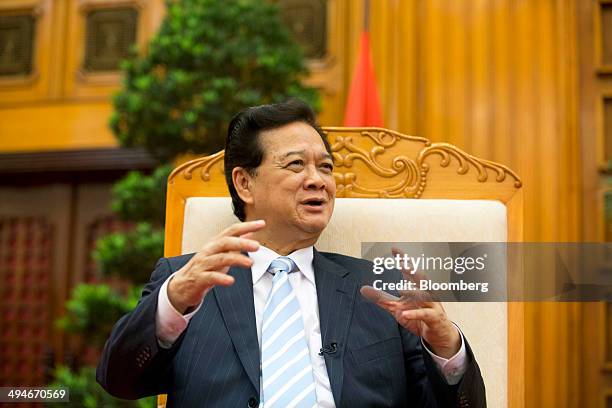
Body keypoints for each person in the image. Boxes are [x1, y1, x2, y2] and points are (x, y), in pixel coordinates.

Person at [97, 99, 486, 407]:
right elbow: (120, 382)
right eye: (296, 165)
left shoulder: (379, 286)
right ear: (245, 183)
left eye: (326, 167)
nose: (318, 180)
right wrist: (172, 302)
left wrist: (445, 347)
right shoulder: (187, 284)